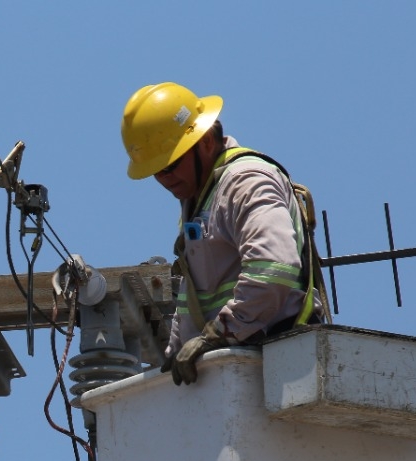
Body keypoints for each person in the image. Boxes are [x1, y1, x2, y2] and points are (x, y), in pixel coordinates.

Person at [121, 82, 323, 385]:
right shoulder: (201, 199)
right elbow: (195, 299)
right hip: (236, 367)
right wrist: (174, 353)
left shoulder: (246, 181)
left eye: (172, 164)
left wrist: (218, 335)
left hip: (279, 363)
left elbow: (274, 272)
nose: (166, 178)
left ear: (203, 140)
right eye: (157, 170)